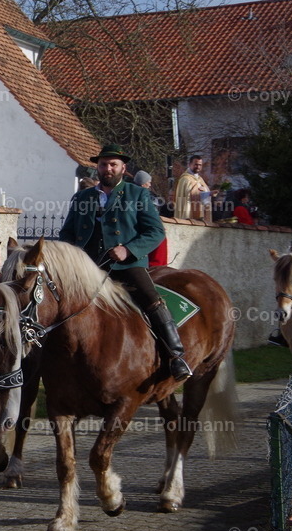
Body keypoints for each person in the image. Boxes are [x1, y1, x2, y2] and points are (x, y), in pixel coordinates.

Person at [60, 144, 192, 381]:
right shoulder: (82, 197)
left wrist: (128, 249)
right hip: (87, 269)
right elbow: (67, 234)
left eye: (113, 164)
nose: (107, 169)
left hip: (126, 266)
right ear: (97, 167)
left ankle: (176, 356)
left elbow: (155, 232)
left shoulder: (137, 194)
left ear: (123, 167)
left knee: (151, 299)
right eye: (103, 164)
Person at [134, 170, 169, 267]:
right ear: (143, 183)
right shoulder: (144, 196)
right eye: (148, 182)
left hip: (151, 229)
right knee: (156, 262)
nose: (150, 184)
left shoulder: (146, 195)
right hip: (149, 231)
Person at [173, 155, 213, 221]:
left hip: (201, 212)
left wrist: (208, 192)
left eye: (200, 165)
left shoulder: (200, 179)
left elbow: (204, 193)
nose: (198, 167)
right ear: (189, 164)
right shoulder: (185, 179)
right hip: (189, 213)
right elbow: (188, 196)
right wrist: (202, 193)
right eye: (196, 164)